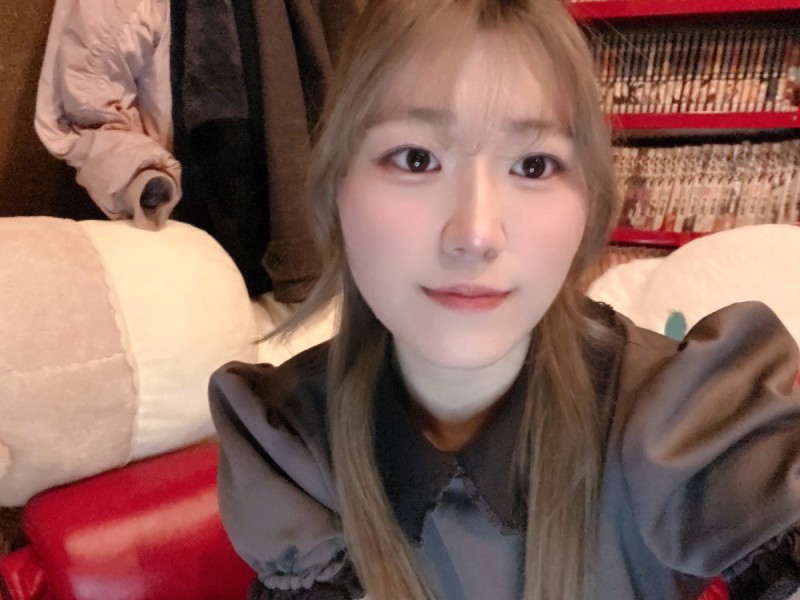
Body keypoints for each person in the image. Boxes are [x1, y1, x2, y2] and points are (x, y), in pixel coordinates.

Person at [208, 1, 800, 599]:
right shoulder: (289, 446)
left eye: (534, 165)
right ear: (336, 186)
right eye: (416, 159)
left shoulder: (690, 419)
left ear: (589, 204)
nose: (476, 234)